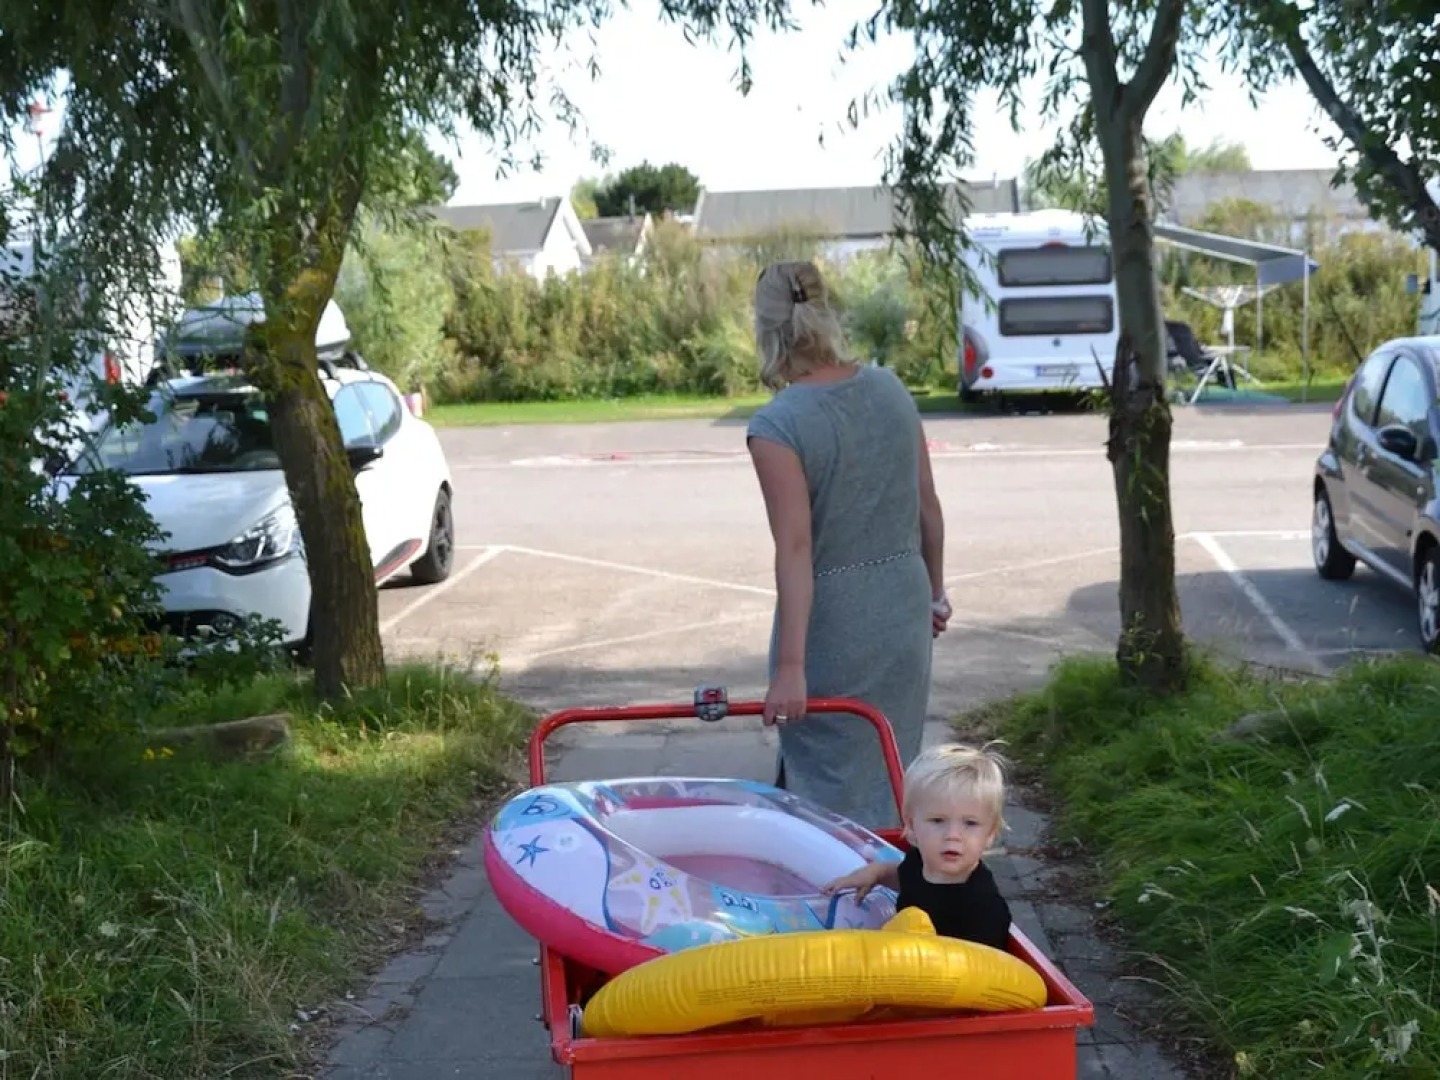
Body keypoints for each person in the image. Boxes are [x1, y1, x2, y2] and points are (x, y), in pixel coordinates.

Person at [746, 260, 950, 830]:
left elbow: (795, 549)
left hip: (834, 626)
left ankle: (827, 904)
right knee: (890, 766)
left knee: (823, 788)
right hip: (904, 610)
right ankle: (896, 896)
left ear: (765, 328)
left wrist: (790, 667)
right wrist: (934, 593)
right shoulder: (890, 389)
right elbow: (928, 509)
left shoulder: (777, 425)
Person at [820, 743, 1012, 951]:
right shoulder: (918, 861)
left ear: (990, 834)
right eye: (938, 821)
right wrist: (875, 873)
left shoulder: (983, 909)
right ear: (911, 826)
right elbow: (904, 876)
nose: (953, 836)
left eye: (970, 824)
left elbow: (981, 973)